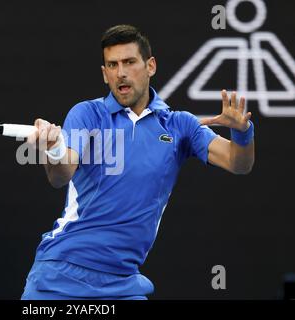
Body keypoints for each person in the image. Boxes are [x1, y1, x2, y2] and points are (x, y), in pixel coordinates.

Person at [21, 24, 255, 300]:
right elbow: (60, 175)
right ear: (104, 73)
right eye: (112, 64)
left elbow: (238, 163)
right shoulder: (86, 114)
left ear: (150, 66)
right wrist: (54, 149)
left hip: (124, 284)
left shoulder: (179, 125)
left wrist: (242, 133)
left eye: (129, 62)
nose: (121, 72)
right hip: (61, 275)